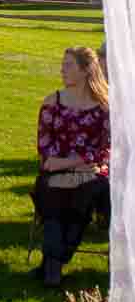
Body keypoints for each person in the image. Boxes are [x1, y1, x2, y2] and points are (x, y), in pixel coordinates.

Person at [33, 46, 110, 288]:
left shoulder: (104, 108)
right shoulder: (51, 103)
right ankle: (54, 268)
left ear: (86, 71)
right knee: (52, 194)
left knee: (85, 194)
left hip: (92, 174)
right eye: (62, 64)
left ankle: (51, 265)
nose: (62, 70)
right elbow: (45, 149)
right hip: (57, 173)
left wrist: (72, 163)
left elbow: (104, 151)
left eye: (69, 65)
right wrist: (74, 163)